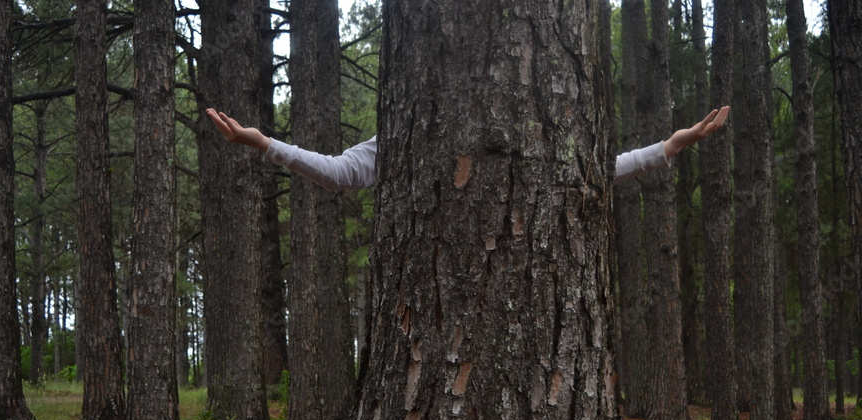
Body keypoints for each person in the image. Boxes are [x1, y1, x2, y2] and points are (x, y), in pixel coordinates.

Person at [206, 106, 730, 191]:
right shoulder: (407, 135)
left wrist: (670, 146)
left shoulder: (523, 135)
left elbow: (589, 171)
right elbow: (341, 172)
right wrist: (264, 143)